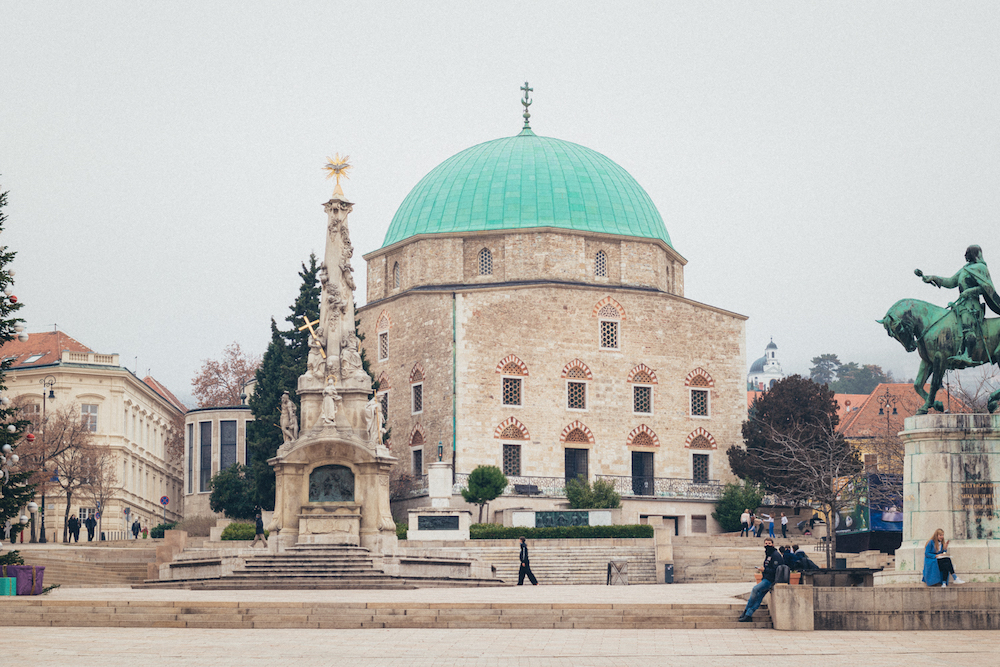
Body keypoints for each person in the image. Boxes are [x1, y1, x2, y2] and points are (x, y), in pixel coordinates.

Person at [918, 244, 1000, 367]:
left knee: (968, 325)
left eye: (968, 253)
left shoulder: (981, 268)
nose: (965, 255)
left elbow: (986, 288)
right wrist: (933, 278)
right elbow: (951, 282)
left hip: (972, 306)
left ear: (974, 254)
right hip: (961, 304)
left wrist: (969, 291)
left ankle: (967, 354)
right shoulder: (965, 269)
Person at [739, 538, 780, 622]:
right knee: (759, 598)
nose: (767, 545)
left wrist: (764, 570)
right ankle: (748, 615)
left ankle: (746, 610)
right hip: (766, 578)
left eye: (769, 543)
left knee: (755, 589)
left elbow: (776, 570)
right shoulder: (769, 554)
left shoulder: (775, 555)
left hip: (770, 580)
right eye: (766, 543)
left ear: (773, 544)